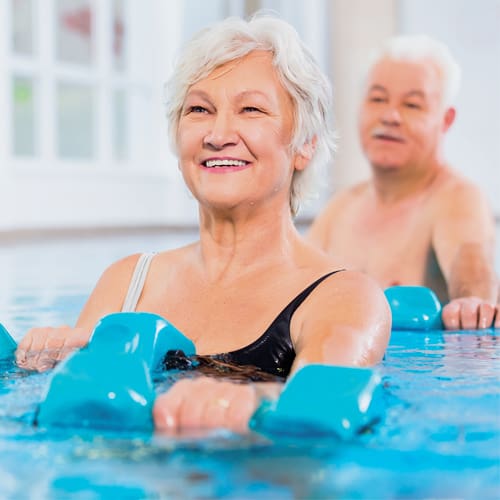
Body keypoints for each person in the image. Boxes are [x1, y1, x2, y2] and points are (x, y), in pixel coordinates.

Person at [15, 14, 391, 434]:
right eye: (199, 109)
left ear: (304, 144)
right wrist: (47, 360)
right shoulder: (127, 281)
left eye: (251, 109)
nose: (218, 133)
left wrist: (250, 400)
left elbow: (324, 402)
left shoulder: (342, 297)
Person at [307, 34, 499, 331]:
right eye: (378, 99)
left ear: (445, 120)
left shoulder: (457, 198)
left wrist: (473, 302)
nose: (390, 116)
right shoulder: (340, 208)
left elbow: (469, 256)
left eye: (412, 105)